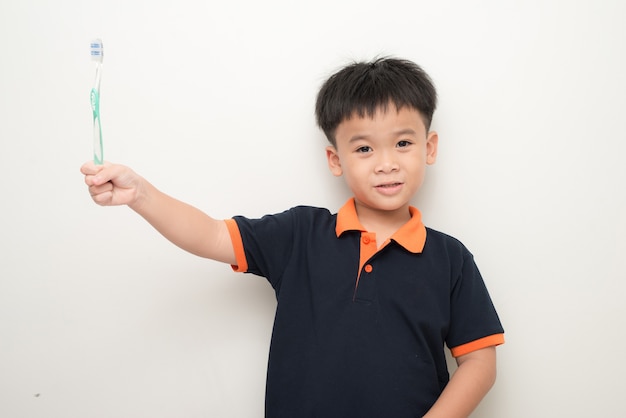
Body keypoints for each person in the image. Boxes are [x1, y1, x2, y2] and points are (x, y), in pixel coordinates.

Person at [81, 57, 504, 418]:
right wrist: (140, 194)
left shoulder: (451, 258)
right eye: (364, 149)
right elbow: (210, 234)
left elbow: (479, 361)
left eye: (403, 143)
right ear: (335, 160)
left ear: (429, 148)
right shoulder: (299, 234)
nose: (386, 164)